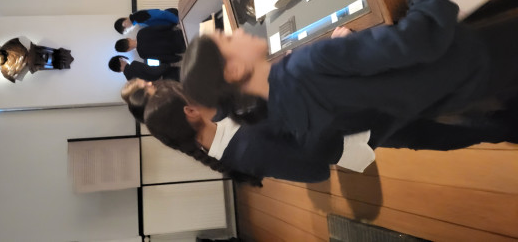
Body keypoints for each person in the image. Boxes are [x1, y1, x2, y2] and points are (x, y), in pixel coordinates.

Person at [181, 0, 518, 153]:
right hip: (467, 58)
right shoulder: (306, 65)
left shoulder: (289, 115)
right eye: (228, 40)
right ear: (233, 72)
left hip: (452, 95)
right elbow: (416, 42)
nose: (239, 32)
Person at [123, 79, 516, 184]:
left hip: (349, 116)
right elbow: (314, 170)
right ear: (190, 111)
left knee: (429, 121)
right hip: (354, 130)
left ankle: (499, 121)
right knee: (431, 130)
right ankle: (503, 127)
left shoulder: (221, 130)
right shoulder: (245, 149)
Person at [0, 37, 74, 83]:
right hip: (40, 64)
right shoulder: (7, 73)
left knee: (58, 56)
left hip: (43, 52)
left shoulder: (11, 44)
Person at [115, 24, 186, 63]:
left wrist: (177, 58)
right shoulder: (141, 33)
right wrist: (172, 25)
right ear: (128, 39)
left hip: (179, 48)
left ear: (128, 50)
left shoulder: (142, 55)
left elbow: (162, 58)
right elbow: (160, 27)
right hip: (178, 34)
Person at [108, 55, 180, 81]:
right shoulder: (133, 65)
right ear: (121, 59)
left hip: (165, 85)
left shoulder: (129, 81)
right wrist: (165, 65)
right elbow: (155, 72)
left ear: (118, 71)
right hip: (169, 75)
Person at [114, 8, 179, 34]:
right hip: (172, 22)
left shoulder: (138, 17)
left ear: (124, 24)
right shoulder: (138, 21)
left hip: (174, 17)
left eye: (126, 30)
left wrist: (177, 21)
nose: (129, 31)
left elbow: (162, 14)